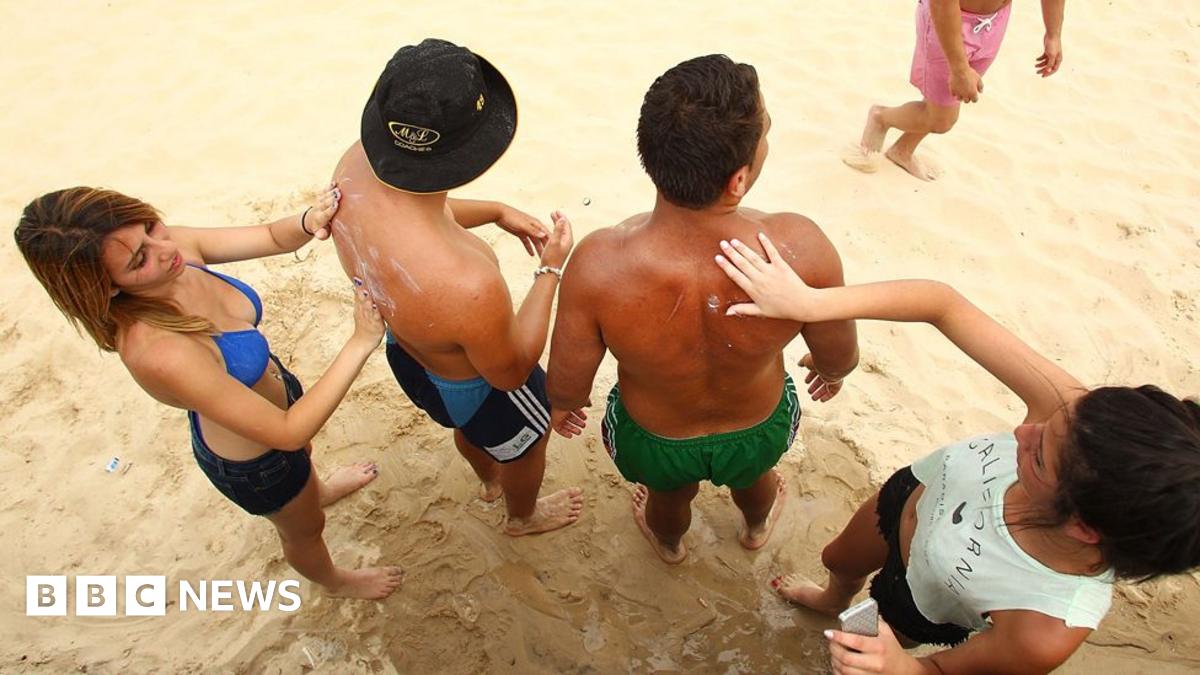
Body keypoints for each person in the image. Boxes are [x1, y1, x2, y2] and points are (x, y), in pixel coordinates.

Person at [714, 233, 1200, 673]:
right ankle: (831, 595)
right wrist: (812, 303)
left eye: (1038, 457)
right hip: (912, 495)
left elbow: (940, 672)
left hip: (923, 601)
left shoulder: (1045, 627)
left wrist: (898, 667)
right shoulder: (1072, 415)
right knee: (838, 557)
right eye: (1049, 422)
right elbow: (940, 304)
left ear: (1083, 527)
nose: (1023, 430)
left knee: (879, 632)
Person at [15, 185, 405, 599]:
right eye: (138, 260)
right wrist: (360, 341)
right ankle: (336, 582)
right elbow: (288, 433)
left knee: (305, 465)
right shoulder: (159, 350)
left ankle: (317, 491)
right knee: (306, 531)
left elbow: (272, 237)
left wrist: (308, 221)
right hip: (257, 461)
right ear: (107, 287)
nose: (163, 248)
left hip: (278, 400)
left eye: (150, 226)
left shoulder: (170, 248)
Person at [546, 55, 860, 564]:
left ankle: (669, 543)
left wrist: (565, 406)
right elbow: (839, 355)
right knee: (757, 477)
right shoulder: (799, 246)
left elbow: (567, 385)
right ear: (738, 180)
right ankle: (757, 524)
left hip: (656, 437)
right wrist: (828, 370)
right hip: (757, 424)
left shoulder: (600, 265)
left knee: (667, 497)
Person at [329, 38, 583, 536]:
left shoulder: (355, 165)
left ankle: (488, 479)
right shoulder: (468, 284)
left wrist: (492, 210)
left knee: (469, 430)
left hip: (407, 354)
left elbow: (416, 210)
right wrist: (550, 270)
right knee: (527, 442)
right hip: (474, 384)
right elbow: (510, 371)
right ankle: (522, 515)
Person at [848, 0, 1066, 180]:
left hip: (994, 21)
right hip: (947, 20)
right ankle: (881, 118)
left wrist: (1053, 33)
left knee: (947, 100)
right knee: (942, 120)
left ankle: (903, 150)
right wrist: (959, 68)